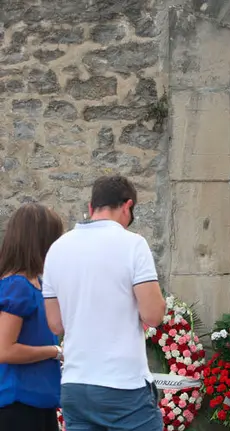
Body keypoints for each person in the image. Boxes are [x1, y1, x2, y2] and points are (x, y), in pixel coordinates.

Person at [43, 175, 167, 431]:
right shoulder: (133, 244)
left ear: (91, 208)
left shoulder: (57, 248)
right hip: (123, 384)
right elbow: (153, 315)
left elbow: (55, 325)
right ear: (127, 206)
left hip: (76, 384)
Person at [0, 203, 65, 431]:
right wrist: (55, 352)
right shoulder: (17, 286)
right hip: (18, 406)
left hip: (39, 403)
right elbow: (5, 350)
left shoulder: (36, 283)